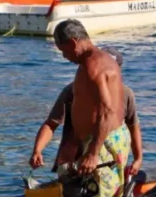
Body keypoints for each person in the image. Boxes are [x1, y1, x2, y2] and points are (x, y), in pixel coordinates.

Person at [51, 19, 131, 197]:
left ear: (73, 42)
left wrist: (93, 153)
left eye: (64, 51)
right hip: (110, 139)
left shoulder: (92, 67)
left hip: (102, 143)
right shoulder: (101, 59)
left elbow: (106, 111)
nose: (64, 56)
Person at [29, 48, 144, 179]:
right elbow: (51, 124)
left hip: (108, 162)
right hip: (73, 160)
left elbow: (133, 126)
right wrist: (37, 150)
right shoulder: (72, 91)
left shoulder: (125, 94)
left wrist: (138, 158)